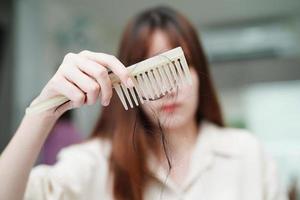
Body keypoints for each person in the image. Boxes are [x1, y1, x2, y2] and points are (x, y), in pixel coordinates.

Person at [0, 6, 286, 200]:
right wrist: (41, 113)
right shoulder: (95, 161)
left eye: (180, 67)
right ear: (128, 79)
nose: (169, 90)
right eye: (149, 72)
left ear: (201, 74)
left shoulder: (248, 153)